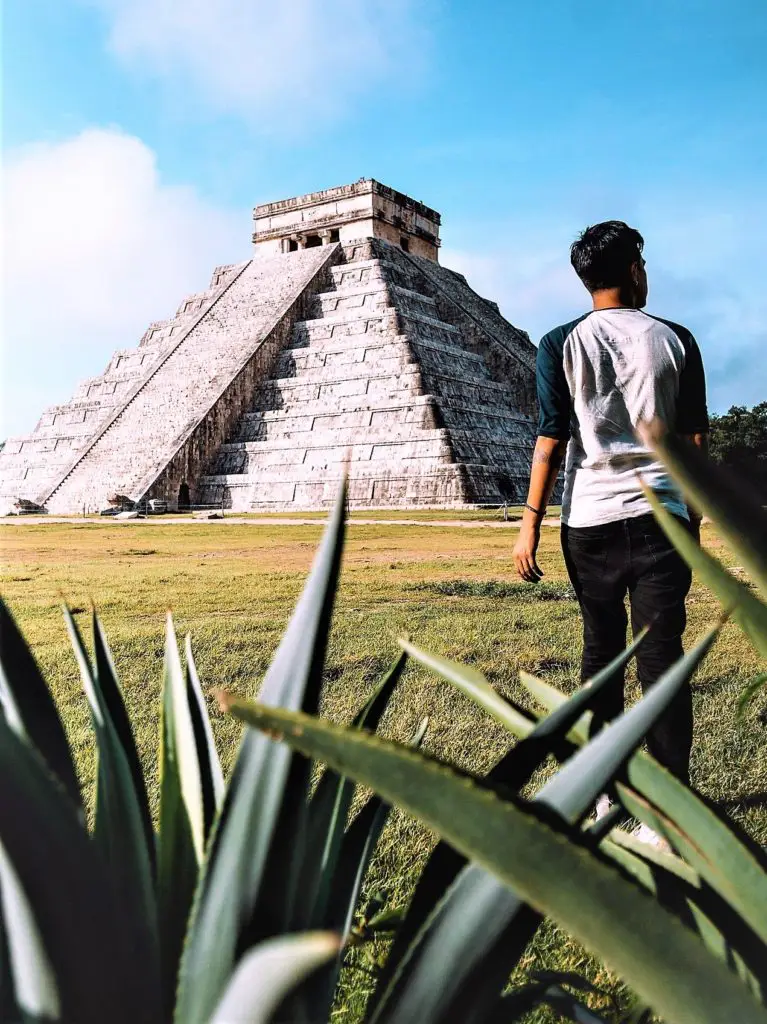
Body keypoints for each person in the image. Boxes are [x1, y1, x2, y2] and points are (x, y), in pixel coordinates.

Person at [512, 220, 709, 792]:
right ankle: (674, 808)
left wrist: (529, 528)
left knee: (600, 658)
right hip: (661, 519)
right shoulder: (676, 338)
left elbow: (550, 440)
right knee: (663, 664)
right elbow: (695, 440)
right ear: (632, 269)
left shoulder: (559, 343)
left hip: (588, 521)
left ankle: (599, 795)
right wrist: (692, 520)